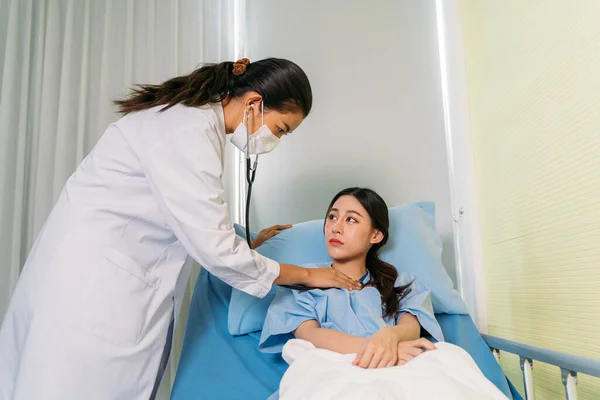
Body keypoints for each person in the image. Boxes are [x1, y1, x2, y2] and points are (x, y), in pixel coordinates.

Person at [0, 58, 361, 400]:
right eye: (280, 129)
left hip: (100, 279)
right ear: (254, 103)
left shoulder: (188, 124)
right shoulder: (187, 130)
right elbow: (213, 247)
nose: (276, 141)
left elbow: (189, 221)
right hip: (94, 292)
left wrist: (247, 243)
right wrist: (310, 275)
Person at [259, 187, 444, 369]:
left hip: (399, 368)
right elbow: (309, 335)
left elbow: (410, 329)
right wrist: (382, 350)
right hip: (334, 372)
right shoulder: (300, 283)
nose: (336, 228)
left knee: (451, 357)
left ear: (376, 235)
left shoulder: (400, 284)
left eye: (351, 219)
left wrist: (389, 336)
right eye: (332, 217)